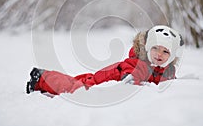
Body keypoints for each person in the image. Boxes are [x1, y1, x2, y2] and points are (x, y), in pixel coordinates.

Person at [26, 25, 184, 95]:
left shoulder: (168, 70)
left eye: (165, 52)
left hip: (110, 76)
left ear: (171, 57)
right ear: (147, 47)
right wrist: (130, 79)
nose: (159, 54)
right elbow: (131, 76)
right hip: (106, 78)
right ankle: (41, 78)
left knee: (78, 80)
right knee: (77, 88)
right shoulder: (140, 64)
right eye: (155, 48)